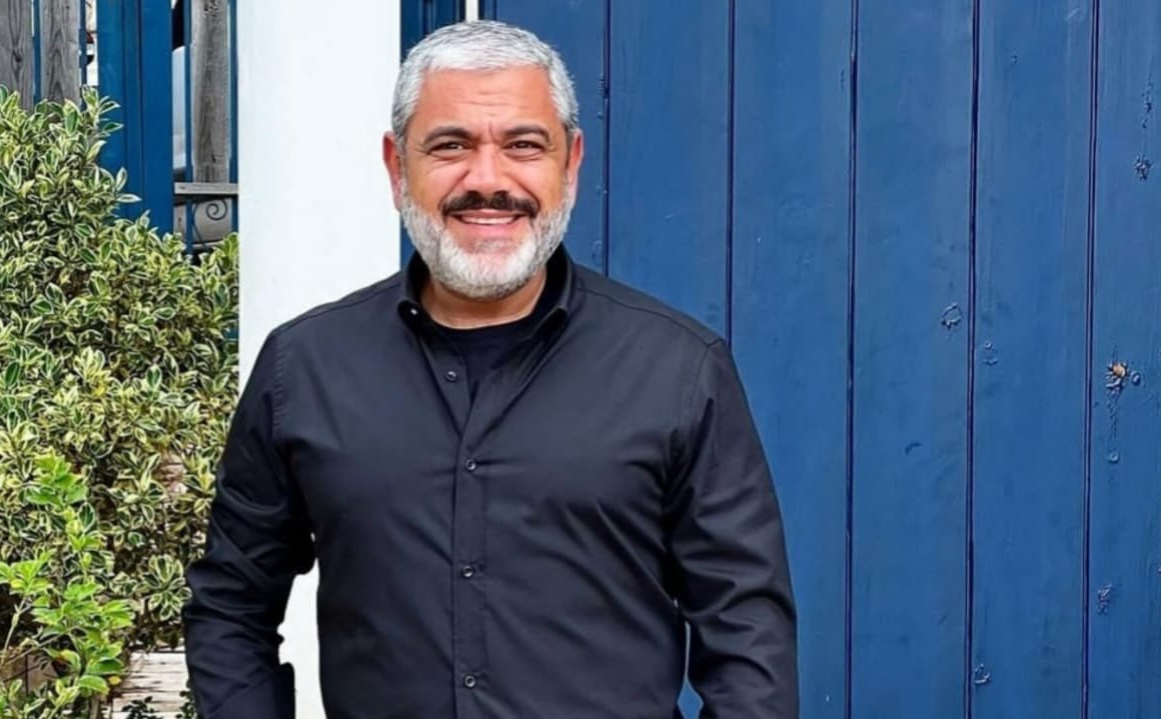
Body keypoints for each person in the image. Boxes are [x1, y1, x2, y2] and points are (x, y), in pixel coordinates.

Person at [183, 20, 798, 719]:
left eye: (523, 145)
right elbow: (231, 605)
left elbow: (748, 633)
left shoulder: (679, 371)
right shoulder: (304, 368)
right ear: (397, 166)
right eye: (450, 145)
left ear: (570, 164)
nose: (487, 180)